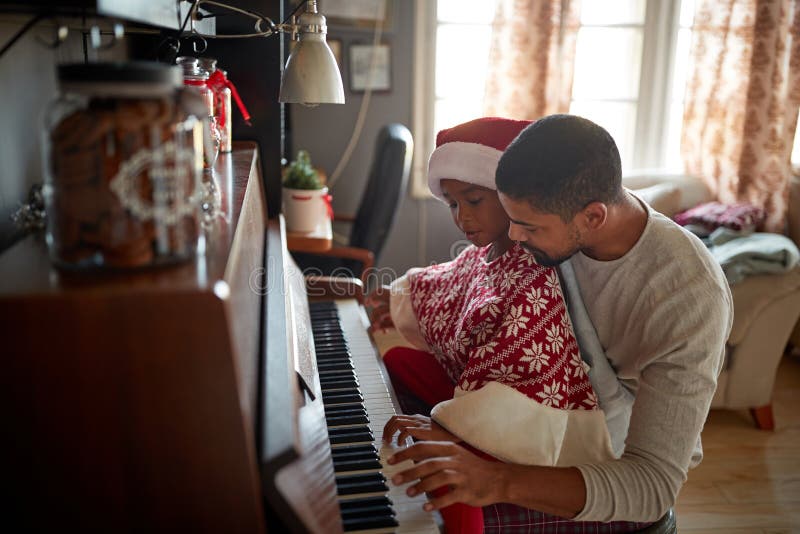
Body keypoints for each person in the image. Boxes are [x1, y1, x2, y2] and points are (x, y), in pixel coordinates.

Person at [385, 114, 733, 531]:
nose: (513, 237)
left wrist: (492, 478)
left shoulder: (688, 298)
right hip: (534, 415)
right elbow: (462, 281)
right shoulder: (554, 226)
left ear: (593, 218)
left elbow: (652, 485)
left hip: (605, 460)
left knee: (427, 508)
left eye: (528, 226)